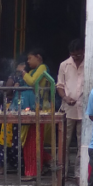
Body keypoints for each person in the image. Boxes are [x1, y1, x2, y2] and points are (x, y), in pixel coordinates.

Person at [17, 49, 53, 178]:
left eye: (30, 58)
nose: (28, 61)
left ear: (38, 57)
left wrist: (23, 72)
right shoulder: (32, 71)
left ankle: (33, 171)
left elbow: (33, 82)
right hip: (32, 109)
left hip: (40, 109)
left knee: (33, 141)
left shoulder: (42, 68)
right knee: (30, 142)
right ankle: (48, 162)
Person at [56, 38, 85, 180]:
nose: (76, 57)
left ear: (83, 52)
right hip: (67, 109)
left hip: (85, 110)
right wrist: (65, 98)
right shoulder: (64, 65)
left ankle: (79, 173)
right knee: (64, 142)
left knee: (82, 143)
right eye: (73, 55)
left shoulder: (89, 63)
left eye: (78, 55)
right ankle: (63, 172)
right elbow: (60, 85)